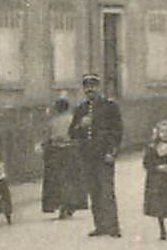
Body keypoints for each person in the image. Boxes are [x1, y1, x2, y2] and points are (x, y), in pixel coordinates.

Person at [70, 72, 123, 237]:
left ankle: (113, 226)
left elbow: (117, 131)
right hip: (88, 156)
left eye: (93, 86)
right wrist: (80, 125)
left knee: (106, 190)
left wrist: (112, 152)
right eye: (86, 86)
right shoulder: (81, 109)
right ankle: (100, 225)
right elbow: (72, 133)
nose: (90, 89)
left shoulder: (109, 106)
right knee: (94, 191)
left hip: (104, 154)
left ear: (98, 87)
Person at [40, 97, 87, 218]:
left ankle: (61, 204)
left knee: (57, 180)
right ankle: (72, 203)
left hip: (56, 152)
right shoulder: (73, 119)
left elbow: (47, 138)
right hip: (71, 151)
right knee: (72, 178)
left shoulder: (52, 122)